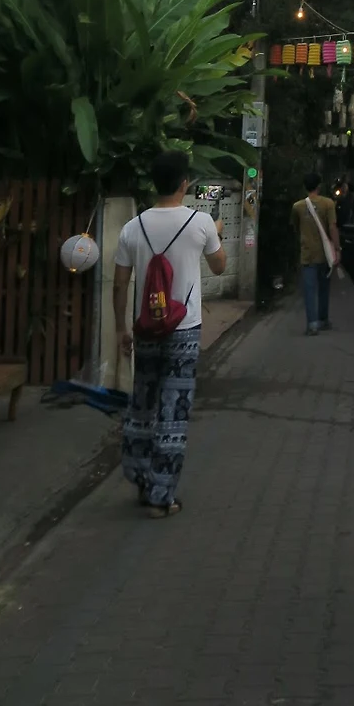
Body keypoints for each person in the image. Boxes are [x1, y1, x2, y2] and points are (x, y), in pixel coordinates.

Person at [112, 149, 226, 517]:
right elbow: (219, 266)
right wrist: (216, 234)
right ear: (184, 184)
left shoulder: (133, 227)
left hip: (145, 328)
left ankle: (140, 478)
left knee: (143, 405)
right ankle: (161, 497)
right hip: (183, 330)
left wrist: (121, 329)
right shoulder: (200, 222)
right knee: (173, 411)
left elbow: (120, 284)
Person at [291, 169, 339, 335]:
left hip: (307, 253)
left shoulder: (297, 206)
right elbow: (332, 227)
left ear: (305, 187)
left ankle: (312, 324)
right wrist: (337, 249)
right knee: (324, 288)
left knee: (310, 290)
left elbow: (295, 227)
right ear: (319, 186)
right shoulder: (328, 204)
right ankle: (323, 320)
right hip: (325, 253)